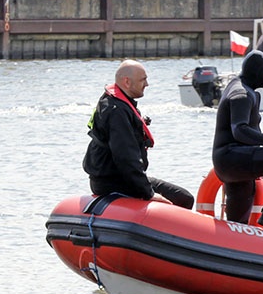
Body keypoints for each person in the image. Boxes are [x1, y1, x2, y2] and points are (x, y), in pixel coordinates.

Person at [83, 59, 194, 209]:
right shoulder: (117, 111)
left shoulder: (113, 102)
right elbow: (125, 156)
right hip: (113, 182)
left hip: (113, 178)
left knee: (182, 196)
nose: (147, 84)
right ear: (127, 82)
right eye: (143, 80)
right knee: (183, 199)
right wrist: (148, 193)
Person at [212, 50, 263, 238]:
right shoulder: (241, 94)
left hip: (233, 161)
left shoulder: (241, 87)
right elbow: (239, 130)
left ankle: (232, 243)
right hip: (230, 158)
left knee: (237, 223)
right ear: (258, 72)